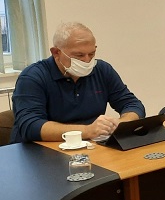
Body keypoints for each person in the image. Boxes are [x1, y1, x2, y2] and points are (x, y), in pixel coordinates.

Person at [11, 22, 144, 144]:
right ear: (56, 52)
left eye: (91, 54)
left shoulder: (102, 70)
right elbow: (31, 126)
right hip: (38, 151)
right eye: (79, 56)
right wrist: (87, 131)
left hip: (87, 147)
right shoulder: (32, 77)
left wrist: (122, 124)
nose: (87, 61)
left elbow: (133, 104)